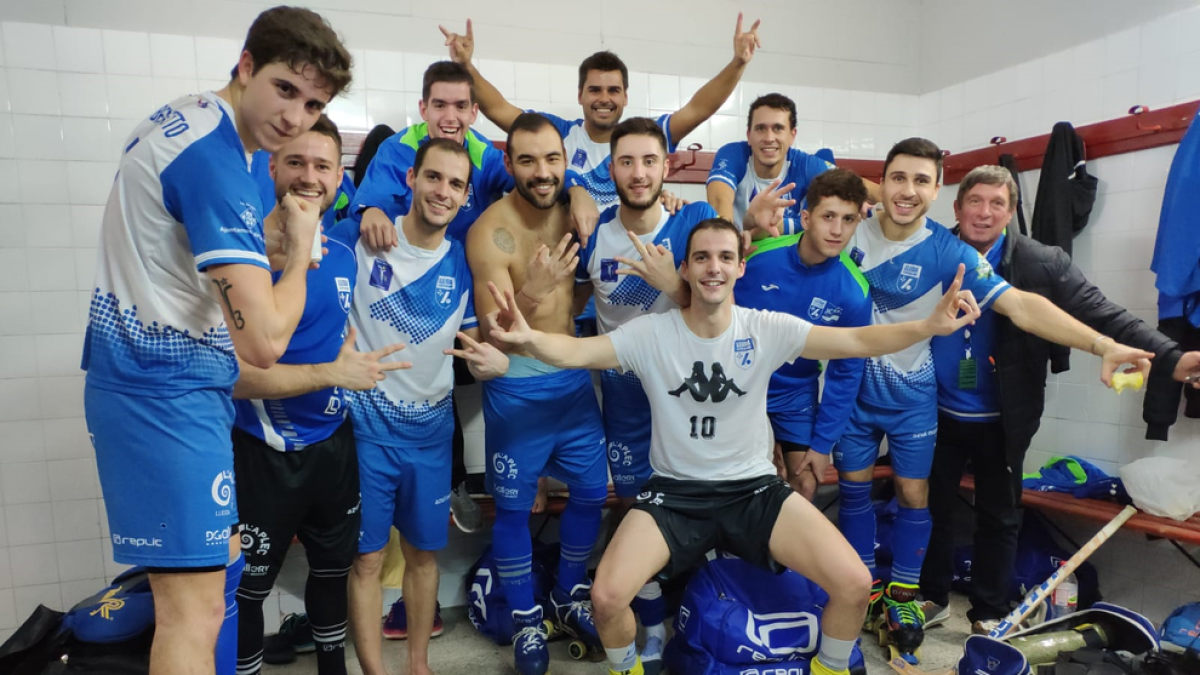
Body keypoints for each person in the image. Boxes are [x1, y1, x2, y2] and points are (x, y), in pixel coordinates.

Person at [485, 217, 984, 675]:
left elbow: (854, 342)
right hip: (676, 493)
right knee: (608, 596)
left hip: (753, 490)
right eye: (701, 257)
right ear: (685, 268)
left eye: (725, 257)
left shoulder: (765, 328)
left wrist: (928, 327)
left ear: (740, 267)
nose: (713, 267)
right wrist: (526, 338)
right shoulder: (651, 334)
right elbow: (576, 351)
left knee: (853, 584)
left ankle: (829, 669)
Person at [81, 8, 351, 675]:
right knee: (193, 614)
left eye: (313, 104)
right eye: (286, 89)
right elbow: (262, 339)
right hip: (161, 395)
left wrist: (277, 239)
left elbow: (195, 247)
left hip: (176, 391)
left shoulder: (199, 121)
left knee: (218, 583)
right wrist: (302, 246)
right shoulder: (218, 161)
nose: (295, 117)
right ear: (247, 65)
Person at [833, 138, 1154, 658]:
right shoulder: (849, 230)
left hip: (915, 396)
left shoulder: (950, 252)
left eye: (921, 181)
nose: (908, 191)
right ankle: (858, 590)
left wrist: (1103, 345)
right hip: (848, 390)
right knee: (852, 496)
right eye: (898, 178)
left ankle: (907, 595)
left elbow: (1023, 307)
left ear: (937, 191)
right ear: (882, 181)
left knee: (917, 497)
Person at [920, 165, 1200, 634]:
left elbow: (1101, 311)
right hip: (933, 412)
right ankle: (930, 598)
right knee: (930, 506)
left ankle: (989, 611)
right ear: (957, 207)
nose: (984, 213)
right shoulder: (933, 251)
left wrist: (1170, 357)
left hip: (1004, 416)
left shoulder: (1041, 261)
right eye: (975, 201)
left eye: (997, 204)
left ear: (1011, 213)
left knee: (1000, 512)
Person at [231, 116, 406, 675]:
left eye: (323, 166)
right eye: (297, 162)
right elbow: (233, 377)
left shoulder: (344, 252)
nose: (309, 177)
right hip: (262, 448)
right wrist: (334, 373)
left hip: (333, 447)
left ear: (339, 179)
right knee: (247, 593)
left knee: (333, 574)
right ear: (273, 167)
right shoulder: (241, 259)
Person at [341, 138, 509, 675]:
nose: (443, 192)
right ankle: (374, 671)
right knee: (366, 559)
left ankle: (418, 666)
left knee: (423, 556)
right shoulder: (362, 239)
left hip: (431, 433)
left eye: (456, 184)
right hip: (365, 429)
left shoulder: (461, 263)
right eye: (434, 178)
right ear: (411, 178)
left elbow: (474, 339)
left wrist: (491, 357)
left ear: (465, 195)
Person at [466, 112, 610, 675]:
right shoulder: (490, 232)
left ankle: (568, 595)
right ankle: (526, 621)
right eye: (527, 160)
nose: (542, 171)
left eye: (553, 159)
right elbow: (492, 335)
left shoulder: (577, 210)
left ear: (566, 161)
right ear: (509, 164)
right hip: (517, 389)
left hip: (572, 379)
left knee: (593, 494)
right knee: (512, 509)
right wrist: (533, 289)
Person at [573, 116, 716, 674]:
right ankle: (653, 627)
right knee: (639, 511)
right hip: (627, 396)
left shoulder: (693, 222)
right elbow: (572, 304)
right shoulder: (592, 233)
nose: (638, 173)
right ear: (612, 169)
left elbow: (714, 306)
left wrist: (671, 285)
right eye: (626, 162)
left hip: (690, 395)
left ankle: (705, 615)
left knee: (706, 505)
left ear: (666, 166)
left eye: (649, 161)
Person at [441, 13, 761, 238]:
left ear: (625, 97)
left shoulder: (644, 138)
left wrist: (738, 63)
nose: (604, 98)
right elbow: (498, 108)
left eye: (613, 90)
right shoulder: (556, 134)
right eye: (595, 89)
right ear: (580, 94)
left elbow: (700, 107)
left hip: (628, 273)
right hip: (569, 274)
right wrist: (466, 65)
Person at [734, 169, 873, 500]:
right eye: (828, 217)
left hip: (795, 395)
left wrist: (823, 444)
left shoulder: (854, 292)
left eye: (848, 220)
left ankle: (786, 553)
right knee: (747, 484)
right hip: (741, 386)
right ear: (807, 217)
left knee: (806, 483)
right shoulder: (757, 258)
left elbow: (846, 373)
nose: (837, 230)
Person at [706, 93, 880, 234]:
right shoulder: (734, 154)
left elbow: (867, 188)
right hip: (736, 254)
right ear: (749, 135)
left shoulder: (807, 165)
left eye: (778, 128)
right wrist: (728, 245)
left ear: (792, 135)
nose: (768, 138)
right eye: (760, 129)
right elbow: (720, 200)